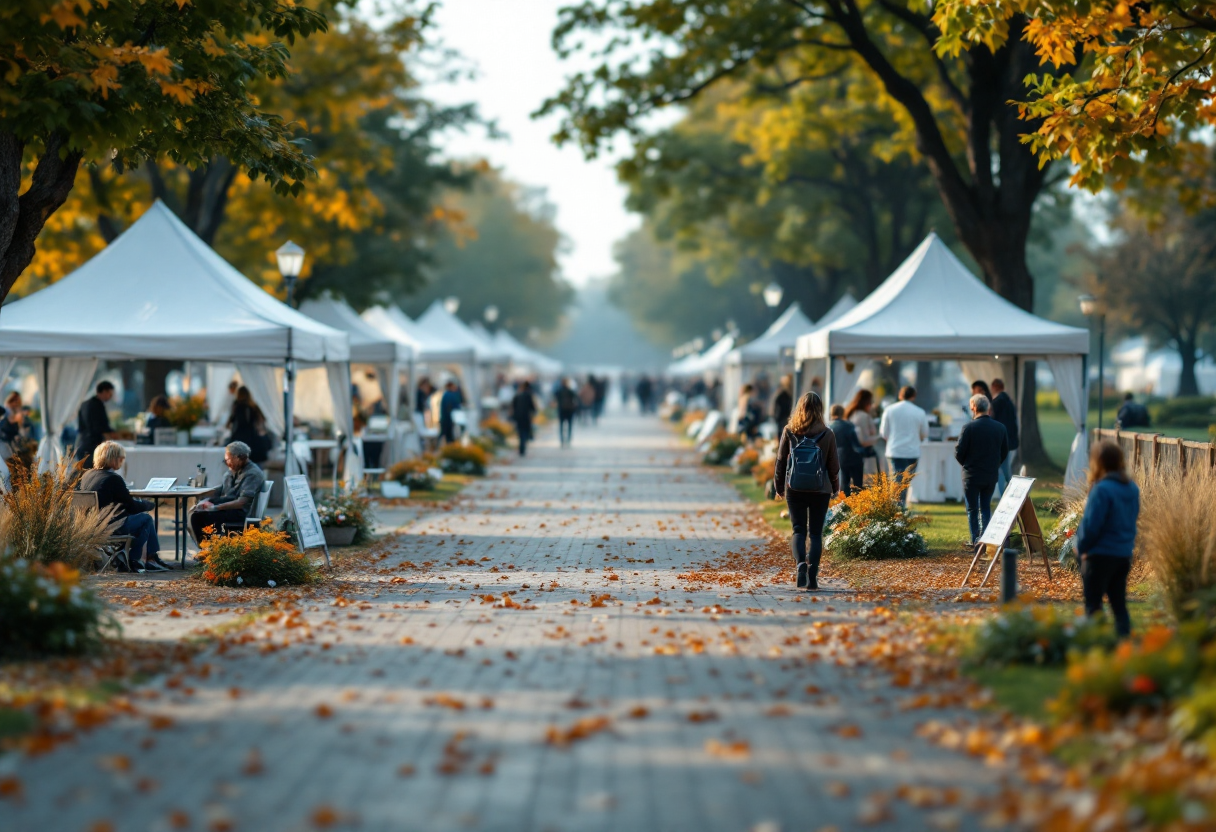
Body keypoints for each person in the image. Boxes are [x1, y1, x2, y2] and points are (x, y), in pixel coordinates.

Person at [774, 392, 839, 591]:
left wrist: (778, 487)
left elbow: (780, 461)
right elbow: (833, 465)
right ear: (820, 409)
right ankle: (813, 576)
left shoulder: (789, 431)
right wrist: (835, 487)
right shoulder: (827, 433)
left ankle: (800, 564)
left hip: (795, 487)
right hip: (821, 489)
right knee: (816, 533)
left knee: (798, 530)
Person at [1077, 441, 1140, 638]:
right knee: (1119, 605)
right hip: (1122, 554)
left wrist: (1081, 547)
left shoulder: (1101, 489)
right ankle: (1124, 643)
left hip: (1099, 554)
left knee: (1093, 606)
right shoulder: (1131, 488)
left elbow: (1092, 525)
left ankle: (1096, 645)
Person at [80, 441, 169, 572]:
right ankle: (142, 559)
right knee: (146, 519)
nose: (122, 461)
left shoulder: (87, 475)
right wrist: (147, 504)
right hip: (109, 527)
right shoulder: (113, 479)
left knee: (140, 521)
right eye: (121, 458)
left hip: (90, 526)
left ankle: (140, 559)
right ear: (113, 459)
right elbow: (131, 507)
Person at [954, 395, 1010, 546]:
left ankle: (975, 540)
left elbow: (959, 452)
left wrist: (966, 464)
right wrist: (994, 465)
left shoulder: (969, 428)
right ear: (988, 408)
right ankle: (986, 540)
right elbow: (1004, 451)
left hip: (971, 474)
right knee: (985, 506)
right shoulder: (1000, 428)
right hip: (990, 474)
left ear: (973, 407)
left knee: (972, 508)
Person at [189, 441, 266, 545]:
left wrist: (215, 508)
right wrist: (204, 501)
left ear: (240, 457)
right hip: (228, 509)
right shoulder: (232, 471)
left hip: (239, 512)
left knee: (199, 517)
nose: (227, 463)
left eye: (228, 460)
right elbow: (220, 491)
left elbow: (241, 502)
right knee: (195, 514)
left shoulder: (252, 474)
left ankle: (209, 548)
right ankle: (207, 548)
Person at [879, 385, 929, 504]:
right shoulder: (919, 412)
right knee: (905, 483)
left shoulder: (890, 410)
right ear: (913, 396)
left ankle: (897, 508)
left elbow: (883, 432)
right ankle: (901, 507)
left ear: (900, 395)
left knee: (896, 481)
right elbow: (925, 433)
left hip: (895, 450)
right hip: (912, 451)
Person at [75, 381, 117, 468]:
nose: (111, 397)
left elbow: (80, 426)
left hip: (81, 443)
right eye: (110, 394)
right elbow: (102, 427)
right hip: (92, 446)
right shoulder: (98, 405)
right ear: (104, 391)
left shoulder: (84, 404)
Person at [989, 378, 1020, 496]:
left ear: (994, 387)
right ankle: (1010, 492)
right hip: (1008, 440)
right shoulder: (1009, 402)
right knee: (1005, 469)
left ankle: (1006, 494)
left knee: (1003, 470)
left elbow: (992, 421)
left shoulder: (997, 403)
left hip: (1000, 440)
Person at [226, 386, 269, 464]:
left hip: (238, 439)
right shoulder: (253, 406)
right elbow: (262, 420)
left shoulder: (236, 406)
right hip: (251, 438)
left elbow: (228, 424)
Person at [829, 404, 865, 495]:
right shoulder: (850, 425)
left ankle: (846, 505)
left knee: (845, 484)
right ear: (842, 413)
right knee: (858, 485)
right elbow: (856, 442)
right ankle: (859, 504)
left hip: (840, 458)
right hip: (854, 457)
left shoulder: (829, 427)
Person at [845, 389, 880, 481]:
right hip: (865, 456)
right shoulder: (864, 416)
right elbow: (864, 439)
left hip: (850, 454)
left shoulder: (850, 414)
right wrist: (879, 438)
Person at [511, 380, 538, 456]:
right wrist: (534, 412)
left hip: (518, 417)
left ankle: (521, 447)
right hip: (526, 417)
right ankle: (523, 446)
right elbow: (532, 406)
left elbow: (513, 406)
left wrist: (514, 416)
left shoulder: (517, 395)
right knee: (525, 432)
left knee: (520, 432)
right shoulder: (528, 395)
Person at [555, 378, 579, 448]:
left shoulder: (558, 391)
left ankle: (562, 440)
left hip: (561, 410)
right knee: (570, 426)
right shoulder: (570, 391)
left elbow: (556, 398)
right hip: (569, 410)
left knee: (561, 426)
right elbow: (576, 398)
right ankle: (568, 440)